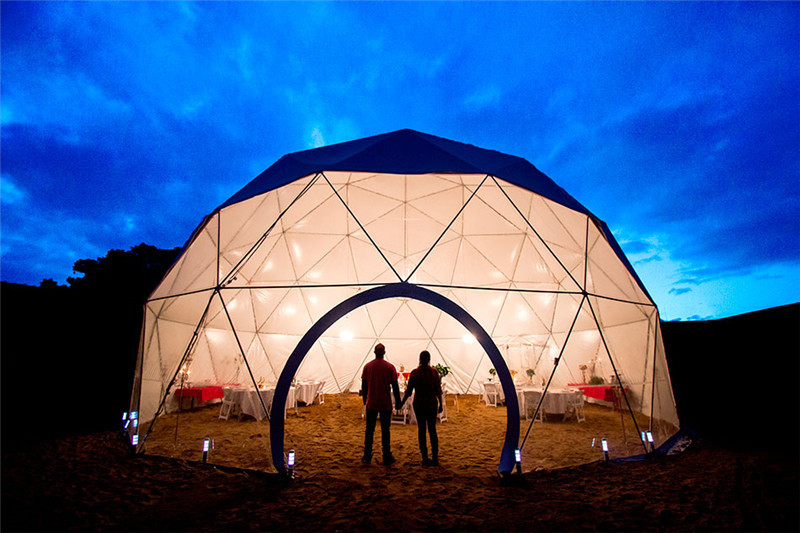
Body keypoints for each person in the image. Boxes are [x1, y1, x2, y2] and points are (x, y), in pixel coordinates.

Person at [399, 350, 443, 466]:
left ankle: (425, 458)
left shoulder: (415, 373)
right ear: (429, 360)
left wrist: (401, 403)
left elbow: (408, 392)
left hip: (419, 404)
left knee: (422, 430)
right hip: (432, 404)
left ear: (419, 359)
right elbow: (439, 391)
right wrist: (441, 405)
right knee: (432, 430)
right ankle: (435, 457)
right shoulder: (434, 373)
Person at [361, 343, 402, 465]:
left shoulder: (367, 367)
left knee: (369, 430)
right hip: (385, 403)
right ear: (384, 353)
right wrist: (398, 402)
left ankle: (367, 456)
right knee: (385, 430)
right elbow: (395, 386)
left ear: (374, 352)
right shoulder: (390, 367)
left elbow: (364, 385)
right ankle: (386, 455)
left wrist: (365, 400)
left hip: (372, 403)